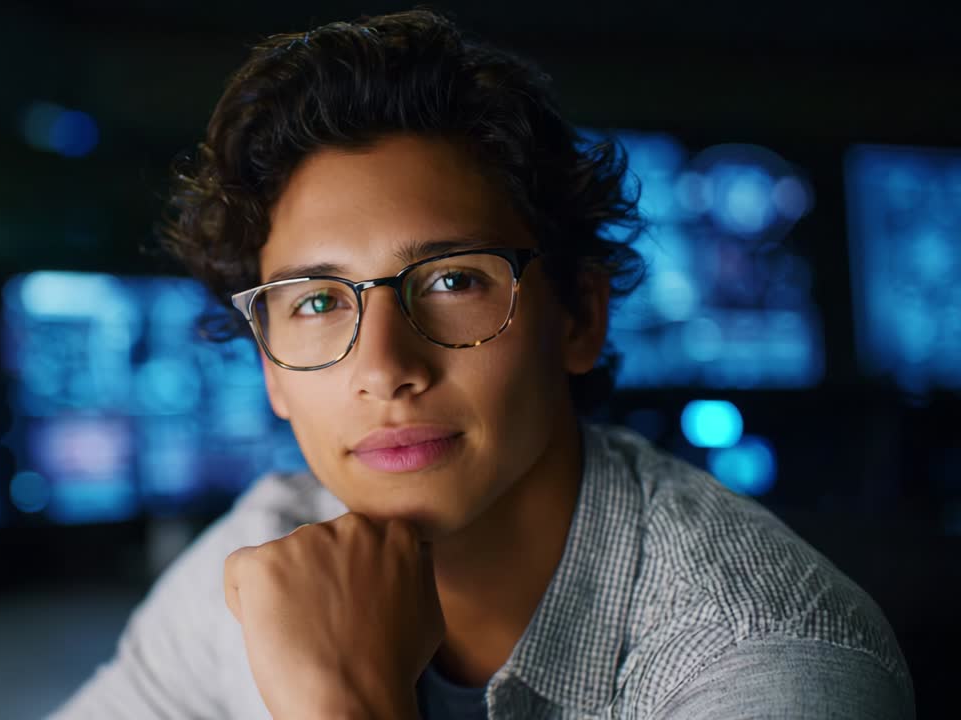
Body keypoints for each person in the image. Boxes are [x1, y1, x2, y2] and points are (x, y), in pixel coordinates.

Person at [54, 9, 914, 719]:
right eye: (317, 302)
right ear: (270, 370)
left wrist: (342, 704)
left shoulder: (766, 661)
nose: (384, 368)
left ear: (578, 317)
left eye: (453, 281)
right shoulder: (264, 553)